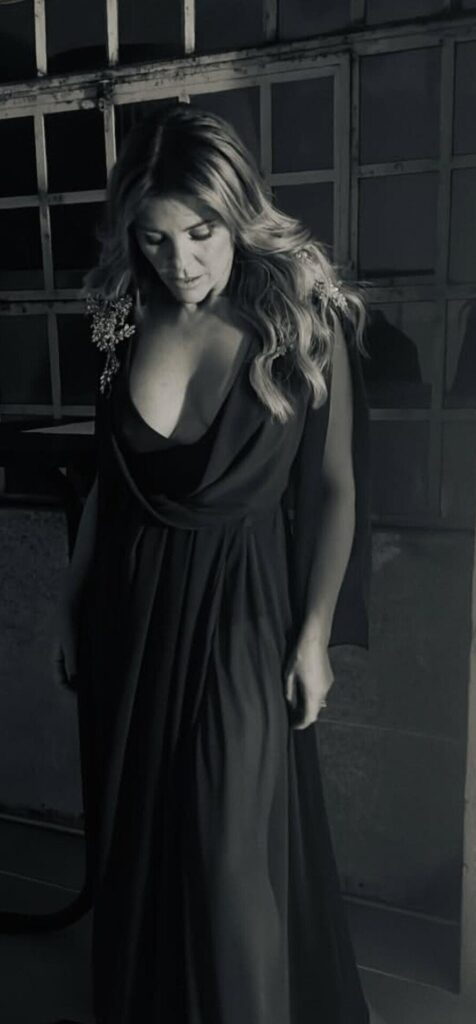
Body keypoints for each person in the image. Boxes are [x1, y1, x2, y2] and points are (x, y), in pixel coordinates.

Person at [58, 103, 372, 1024]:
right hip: (127, 613)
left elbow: (335, 488)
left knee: (229, 857)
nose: (180, 262)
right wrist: (71, 605)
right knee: (141, 846)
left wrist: (313, 635)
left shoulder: (300, 318)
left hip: (242, 614)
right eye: (154, 238)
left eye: (200, 232)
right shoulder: (117, 321)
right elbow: (108, 487)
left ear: (238, 212)